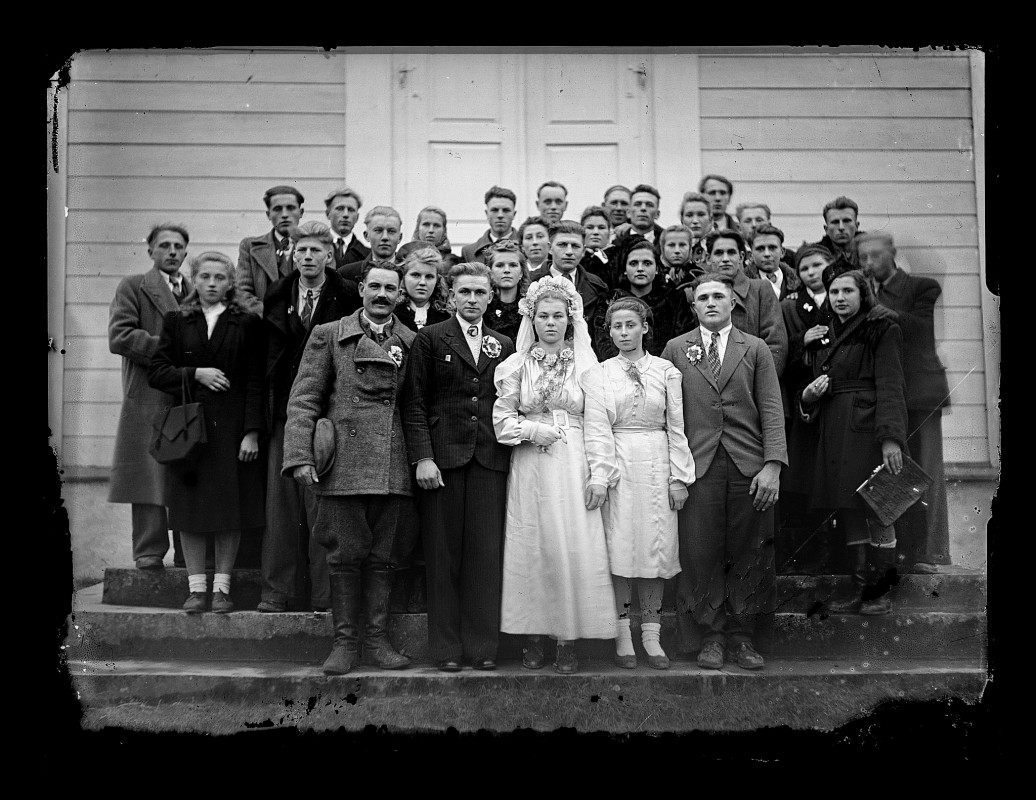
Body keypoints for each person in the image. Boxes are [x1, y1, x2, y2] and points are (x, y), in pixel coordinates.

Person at [282, 262, 418, 674]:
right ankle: (344, 643)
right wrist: (300, 456)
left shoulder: (412, 342)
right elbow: (304, 399)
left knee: (384, 557)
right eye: (374, 286)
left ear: (400, 295)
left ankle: (376, 642)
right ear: (361, 289)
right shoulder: (329, 334)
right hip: (343, 464)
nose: (381, 294)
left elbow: (416, 407)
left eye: (390, 288)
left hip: (393, 465)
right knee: (344, 556)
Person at [662, 273, 786, 671]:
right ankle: (709, 637)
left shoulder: (755, 347)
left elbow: (771, 407)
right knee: (700, 551)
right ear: (694, 306)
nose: (711, 302)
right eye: (704, 298)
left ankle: (743, 637)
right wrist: (674, 470)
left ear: (733, 303)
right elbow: (667, 413)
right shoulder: (676, 349)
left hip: (748, 464)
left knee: (751, 550)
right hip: (697, 464)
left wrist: (772, 465)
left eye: (719, 296)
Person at [493, 276, 615, 674]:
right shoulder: (515, 365)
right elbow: (502, 422)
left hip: (574, 458)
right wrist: (532, 429)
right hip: (530, 462)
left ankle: (568, 637)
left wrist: (600, 474)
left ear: (570, 318)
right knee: (534, 543)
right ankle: (533, 634)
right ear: (531, 318)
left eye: (558, 316)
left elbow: (598, 424)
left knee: (571, 544)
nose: (550, 323)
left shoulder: (586, 366)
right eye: (543, 315)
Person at [401, 262, 516, 672]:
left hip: (488, 459)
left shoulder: (503, 343)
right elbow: (414, 402)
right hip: (442, 461)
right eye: (464, 292)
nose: (472, 299)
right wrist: (423, 457)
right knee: (442, 555)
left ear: (490, 297)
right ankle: (447, 649)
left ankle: (482, 646)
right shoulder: (431, 338)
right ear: (451, 296)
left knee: (485, 555)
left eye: (480, 292)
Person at [147, 251, 266, 613]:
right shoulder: (177, 320)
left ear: (230, 283)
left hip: (232, 430)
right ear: (194, 280)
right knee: (190, 510)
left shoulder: (247, 323)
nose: (212, 284)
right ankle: (197, 589)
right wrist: (195, 373)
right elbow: (157, 371)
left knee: (230, 509)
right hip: (189, 432)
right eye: (205, 277)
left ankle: (222, 590)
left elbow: (256, 381)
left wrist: (252, 432)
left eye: (220, 277)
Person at [584, 298, 695, 670]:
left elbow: (676, 426)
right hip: (619, 464)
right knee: (620, 549)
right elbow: (597, 429)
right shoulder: (599, 374)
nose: (624, 333)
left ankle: (651, 635)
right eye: (617, 326)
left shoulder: (666, 371)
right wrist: (601, 476)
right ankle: (622, 635)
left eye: (630, 325)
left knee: (654, 550)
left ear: (645, 327)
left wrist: (678, 478)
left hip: (656, 463)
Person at [259, 221, 360, 613]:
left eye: (316, 250)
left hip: (328, 415)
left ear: (329, 255)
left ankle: (324, 596)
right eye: (301, 250)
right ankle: (277, 592)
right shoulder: (278, 294)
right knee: (281, 507)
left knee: (323, 506)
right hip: (285, 412)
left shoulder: (345, 295)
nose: (307, 257)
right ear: (292, 254)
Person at [797, 270, 908, 615]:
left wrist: (891, 439)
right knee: (849, 508)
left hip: (868, 427)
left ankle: (879, 593)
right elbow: (810, 381)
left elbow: (891, 385)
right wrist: (808, 397)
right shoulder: (824, 334)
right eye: (834, 292)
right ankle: (860, 589)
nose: (840, 297)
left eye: (848, 291)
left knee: (879, 507)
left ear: (863, 294)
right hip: (834, 428)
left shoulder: (881, 328)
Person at [857, 232, 951, 572]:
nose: (869, 263)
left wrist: (882, 310)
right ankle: (903, 552)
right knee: (891, 475)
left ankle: (930, 552)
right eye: (863, 257)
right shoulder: (862, 291)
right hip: (887, 397)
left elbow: (923, 330)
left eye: (876, 255)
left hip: (920, 395)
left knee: (925, 473)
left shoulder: (922, 287)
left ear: (893, 253)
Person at [108, 223, 191, 570]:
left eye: (178, 246)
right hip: (149, 394)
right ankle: (149, 550)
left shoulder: (195, 289)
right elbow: (121, 336)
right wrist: (174, 350)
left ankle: (189, 552)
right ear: (150, 251)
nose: (172, 251)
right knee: (148, 474)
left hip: (187, 393)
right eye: (164, 245)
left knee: (188, 471)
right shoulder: (134, 286)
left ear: (185, 252)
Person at [778, 245, 837, 573]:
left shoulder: (842, 297)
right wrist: (803, 339)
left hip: (838, 395)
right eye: (804, 268)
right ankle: (806, 555)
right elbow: (783, 355)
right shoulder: (790, 306)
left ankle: (838, 555)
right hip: (804, 396)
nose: (812, 272)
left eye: (818, 265)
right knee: (803, 477)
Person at [694, 229, 789, 376]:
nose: (725, 259)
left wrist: (761, 381)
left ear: (741, 257)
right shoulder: (695, 294)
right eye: (719, 253)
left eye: (731, 252)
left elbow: (776, 343)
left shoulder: (760, 290)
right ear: (708, 258)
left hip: (753, 379)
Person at [593, 239, 676, 359]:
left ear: (657, 268)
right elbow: (603, 341)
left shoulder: (673, 298)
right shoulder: (609, 299)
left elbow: (679, 341)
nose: (640, 268)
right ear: (625, 269)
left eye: (647, 263)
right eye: (633, 263)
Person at [528, 220, 610, 335]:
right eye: (562, 245)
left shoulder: (597, 286)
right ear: (550, 248)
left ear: (583, 251)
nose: (569, 252)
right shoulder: (530, 282)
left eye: (575, 246)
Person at [236, 185, 305, 316]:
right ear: (268, 214)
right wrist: (271, 316)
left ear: (301, 212)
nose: (284, 215)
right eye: (277, 209)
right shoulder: (250, 247)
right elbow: (241, 293)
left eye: (290, 208)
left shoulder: (316, 247)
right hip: (264, 323)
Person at [338, 205, 403, 283]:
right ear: (366, 236)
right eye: (378, 230)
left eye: (391, 231)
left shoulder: (410, 272)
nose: (385, 237)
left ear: (400, 237)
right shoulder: (346, 274)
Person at [394, 245, 451, 332]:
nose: (422, 282)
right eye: (415, 275)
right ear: (404, 278)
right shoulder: (392, 314)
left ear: (437, 280)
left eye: (429, 276)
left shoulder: (447, 317)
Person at [485, 239, 529, 342]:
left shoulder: (530, 307)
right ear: (490, 271)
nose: (507, 270)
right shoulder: (483, 306)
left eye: (513, 265)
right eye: (499, 265)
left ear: (521, 272)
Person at [461, 186, 519, 263]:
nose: (500, 215)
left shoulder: (526, 247)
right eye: (494, 210)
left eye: (506, 210)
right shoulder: (469, 252)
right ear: (487, 213)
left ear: (514, 214)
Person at [749, 223, 802, 300]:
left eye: (772, 248)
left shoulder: (800, 283)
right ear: (751, 254)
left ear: (782, 252)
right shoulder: (743, 284)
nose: (767, 254)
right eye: (760, 249)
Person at [324, 187, 370, 268]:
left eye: (351, 210)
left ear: (357, 217)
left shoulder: (367, 255)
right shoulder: (315, 247)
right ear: (328, 214)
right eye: (340, 209)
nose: (346, 215)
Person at [410, 205, 460, 271]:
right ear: (417, 228)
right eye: (426, 224)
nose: (431, 230)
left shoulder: (455, 264)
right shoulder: (403, 259)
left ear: (444, 231)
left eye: (437, 225)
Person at [578, 205, 616, 289]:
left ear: (609, 232)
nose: (595, 232)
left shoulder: (619, 257)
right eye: (590, 227)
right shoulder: (574, 257)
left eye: (601, 228)